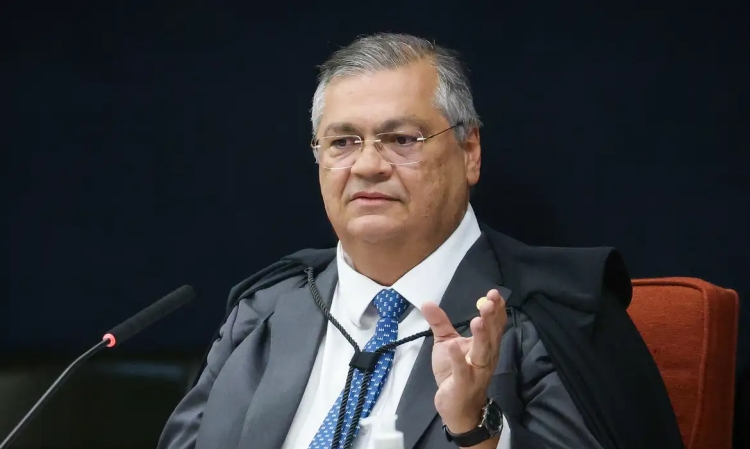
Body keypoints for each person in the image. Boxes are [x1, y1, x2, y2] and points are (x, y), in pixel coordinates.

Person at [157, 33, 684, 449]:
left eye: (402, 139)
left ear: (469, 151)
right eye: (343, 142)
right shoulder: (266, 310)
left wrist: (480, 429)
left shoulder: (553, 311)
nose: (367, 165)